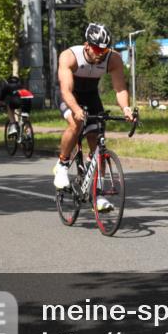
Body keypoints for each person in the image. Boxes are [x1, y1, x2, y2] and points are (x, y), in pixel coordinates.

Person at [52, 23, 134, 212]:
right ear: (87, 45)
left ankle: (98, 195)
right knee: (76, 122)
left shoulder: (112, 59)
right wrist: (76, 109)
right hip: (69, 95)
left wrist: (126, 108)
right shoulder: (70, 56)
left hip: (90, 95)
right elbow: (66, 90)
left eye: (104, 50)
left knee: (98, 144)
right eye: (97, 48)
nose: (100, 53)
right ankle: (62, 164)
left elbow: (120, 88)